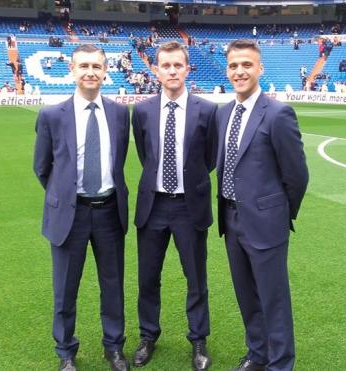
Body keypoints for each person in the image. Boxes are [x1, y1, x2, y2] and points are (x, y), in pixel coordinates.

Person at [33, 44, 131, 371]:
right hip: (69, 215)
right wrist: (64, 196)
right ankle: (66, 353)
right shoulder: (51, 116)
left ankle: (114, 347)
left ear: (106, 72)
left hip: (108, 212)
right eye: (84, 66)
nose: (90, 72)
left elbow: (119, 162)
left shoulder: (119, 113)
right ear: (72, 71)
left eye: (96, 66)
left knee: (113, 285)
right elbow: (42, 167)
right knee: (65, 290)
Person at [216, 39, 308, 371]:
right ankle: (258, 353)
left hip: (266, 222)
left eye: (246, 64)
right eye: (233, 66)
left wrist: (278, 213)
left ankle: (280, 363)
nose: (239, 71)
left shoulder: (278, 113)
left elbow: (297, 175)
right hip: (231, 219)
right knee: (247, 296)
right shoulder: (223, 113)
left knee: (274, 299)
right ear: (227, 70)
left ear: (259, 68)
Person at [130, 41, 217, 371]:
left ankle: (198, 340)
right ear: (156, 70)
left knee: (196, 279)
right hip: (152, 206)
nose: (171, 71)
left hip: (189, 207)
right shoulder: (142, 110)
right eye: (165, 66)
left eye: (177, 65)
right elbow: (145, 155)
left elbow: (207, 158)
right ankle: (147, 336)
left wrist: (187, 180)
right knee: (148, 278)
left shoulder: (207, 110)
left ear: (186, 68)